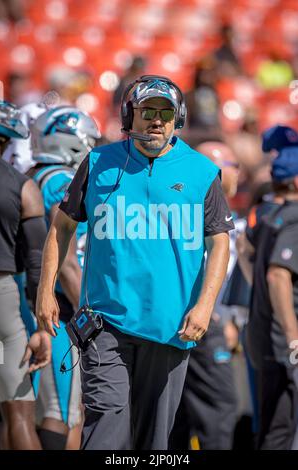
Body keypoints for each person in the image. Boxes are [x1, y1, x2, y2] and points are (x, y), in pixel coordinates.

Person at [36, 75, 234, 450]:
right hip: (105, 325)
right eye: (147, 111)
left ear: (179, 119)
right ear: (130, 115)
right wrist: (45, 291)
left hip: (171, 327)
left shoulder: (202, 172)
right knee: (106, 430)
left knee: (153, 443)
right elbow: (61, 227)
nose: (156, 120)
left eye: (165, 112)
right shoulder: (97, 163)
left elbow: (219, 243)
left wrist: (205, 307)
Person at [28, 105, 100, 450]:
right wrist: (91, 315)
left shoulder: (34, 175)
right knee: (62, 412)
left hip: (30, 304)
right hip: (56, 311)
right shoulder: (60, 182)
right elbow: (68, 261)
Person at [170, 141, 240, 450]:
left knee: (178, 410)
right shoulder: (197, 209)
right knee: (219, 409)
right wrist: (212, 311)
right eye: (232, 166)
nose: (238, 173)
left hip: (197, 316)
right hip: (201, 318)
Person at [238, 125, 298, 449]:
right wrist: (293, 335)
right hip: (283, 342)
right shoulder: (292, 217)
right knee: (280, 430)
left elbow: (244, 252)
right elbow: (278, 275)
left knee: (272, 426)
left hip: (261, 333)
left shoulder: (263, 214)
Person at [0, 100, 51, 449]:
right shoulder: (23, 186)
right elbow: (37, 264)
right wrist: (42, 327)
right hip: (2, 298)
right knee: (18, 414)